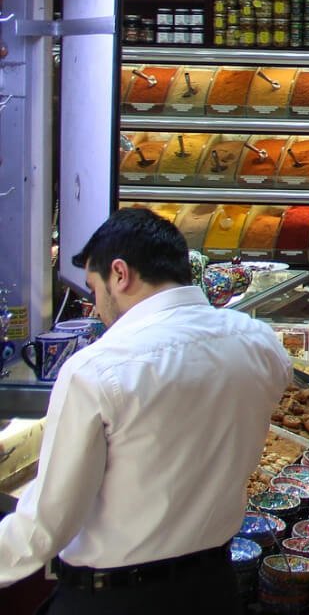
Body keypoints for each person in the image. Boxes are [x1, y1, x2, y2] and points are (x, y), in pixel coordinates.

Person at [0, 208, 291, 611]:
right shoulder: (261, 343)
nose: (97, 308)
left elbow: (46, 526)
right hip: (216, 589)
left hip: (116, 598)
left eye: (93, 289)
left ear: (120, 274)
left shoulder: (95, 369)